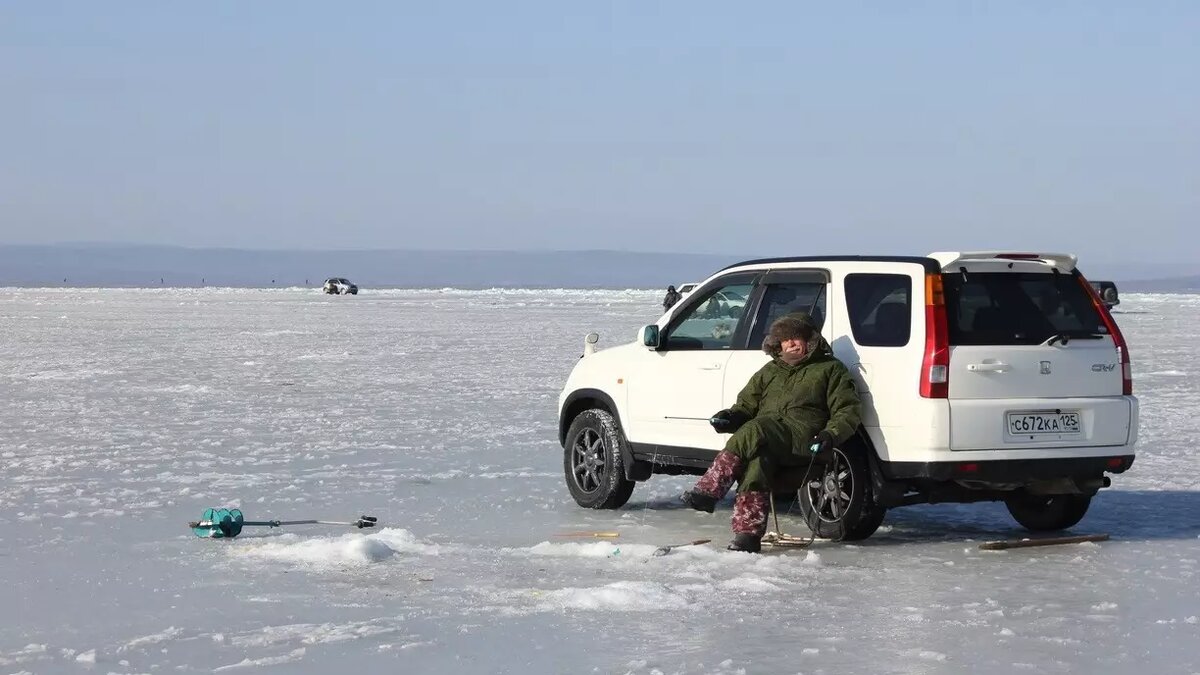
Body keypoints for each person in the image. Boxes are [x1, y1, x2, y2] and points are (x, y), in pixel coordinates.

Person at [680, 312, 862, 553]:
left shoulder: (831, 370)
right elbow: (745, 407)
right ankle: (747, 536)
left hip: (804, 440)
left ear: (811, 339)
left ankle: (710, 489)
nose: (790, 344)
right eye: (785, 339)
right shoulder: (769, 371)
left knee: (757, 427)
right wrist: (730, 418)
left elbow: (847, 410)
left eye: (796, 338)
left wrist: (831, 434)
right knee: (758, 461)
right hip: (770, 440)